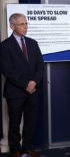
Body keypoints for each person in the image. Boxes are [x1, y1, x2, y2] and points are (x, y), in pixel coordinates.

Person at [0, 13, 44, 157]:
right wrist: (26, 84)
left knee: (31, 121)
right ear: (12, 26)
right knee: (15, 122)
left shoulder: (33, 43)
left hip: (33, 90)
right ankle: (15, 150)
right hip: (15, 92)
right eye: (22, 24)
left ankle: (27, 148)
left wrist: (34, 82)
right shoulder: (5, 46)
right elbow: (7, 70)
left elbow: (40, 66)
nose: (25, 27)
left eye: (26, 24)